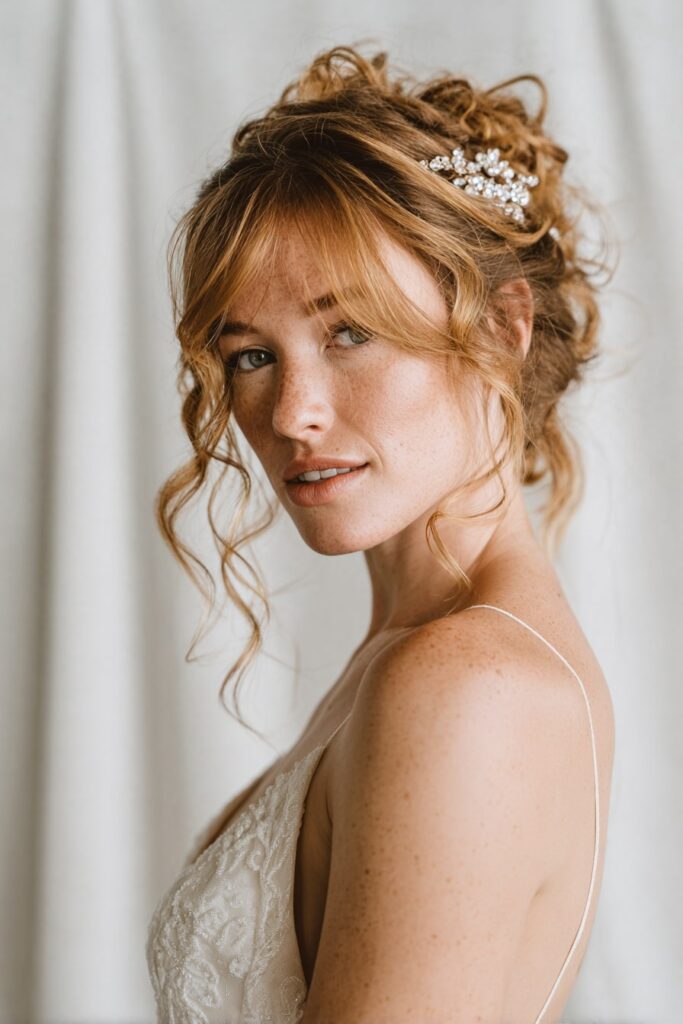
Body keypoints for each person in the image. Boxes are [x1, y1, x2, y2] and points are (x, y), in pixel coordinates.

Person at [146, 42, 615, 1024]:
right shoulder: (423, 650)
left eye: (348, 332)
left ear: (500, 327)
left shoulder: (461, 682)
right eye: (249, 355)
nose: (290, 413)